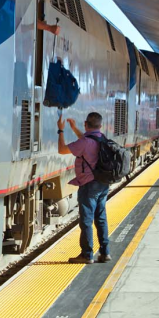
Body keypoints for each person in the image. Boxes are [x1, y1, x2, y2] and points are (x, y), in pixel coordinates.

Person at [57, 112, 111, 264]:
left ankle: (87, 254)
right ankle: (105, 253)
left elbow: (62, 149)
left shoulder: (84, 143)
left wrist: (61, 130)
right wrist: (74, 128)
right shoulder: (102, 138)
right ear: (100, 126)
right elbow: (87, 138)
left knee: (86, 220)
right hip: (103, 183)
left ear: (86, 124)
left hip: (88, 185)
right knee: (100, 218)